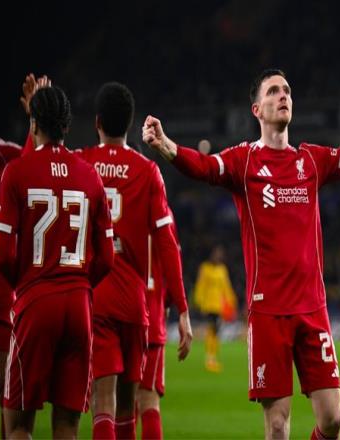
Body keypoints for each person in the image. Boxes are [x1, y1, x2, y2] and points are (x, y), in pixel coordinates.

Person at [142, 68, 340, 440]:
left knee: (332, 419)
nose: (283, 95)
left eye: (286, 90)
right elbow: (203, 167)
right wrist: (165, 145)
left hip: (312, 309)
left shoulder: (312, 160)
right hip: (268, 311)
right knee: (277, 424)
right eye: (273, 91)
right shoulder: (243, 162)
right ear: (256, 110)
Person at [0, 85, 114, 439]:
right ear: (67, 125)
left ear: (33, 124)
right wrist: (80, 283)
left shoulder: (17, 172)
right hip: (79, 307)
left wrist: (27, 284)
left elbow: (2, 254)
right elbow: (107, 258)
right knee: (67, 427)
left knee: (18, 425)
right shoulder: (90, 175)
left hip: (36, 300)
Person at [76, 82, 192, 440]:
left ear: (97, 122)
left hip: (96, 298)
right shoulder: (147, 171)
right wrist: (183, 309)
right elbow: (168, 244)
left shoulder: (81, 162)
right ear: (130, 123)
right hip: (135, 303)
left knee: (103, 403)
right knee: (131, 406)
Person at [0, 76, 47, 438]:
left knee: (6, 389)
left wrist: (37, 114)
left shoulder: (2, 156)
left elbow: (34, 163)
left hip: (1, 294)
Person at [135, 215, 186, 440]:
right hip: (151, 314)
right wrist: (172, 303)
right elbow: (174, 260)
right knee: (148, 400)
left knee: (114, 402)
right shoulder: (164, 213)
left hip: (113, 312)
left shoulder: (111, 203)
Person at [193, 244, 237, 372]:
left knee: (216, 331)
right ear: (211, 255)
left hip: (219, 306)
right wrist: (199, 301)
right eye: (216, 254)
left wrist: (231, 301)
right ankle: (210, 358)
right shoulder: (205, 268)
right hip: (208, 305)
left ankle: (212, 357)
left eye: (220, 255)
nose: (218, 256)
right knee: (211, 330)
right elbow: (201, 285)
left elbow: (226, 287)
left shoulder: (222, 270)